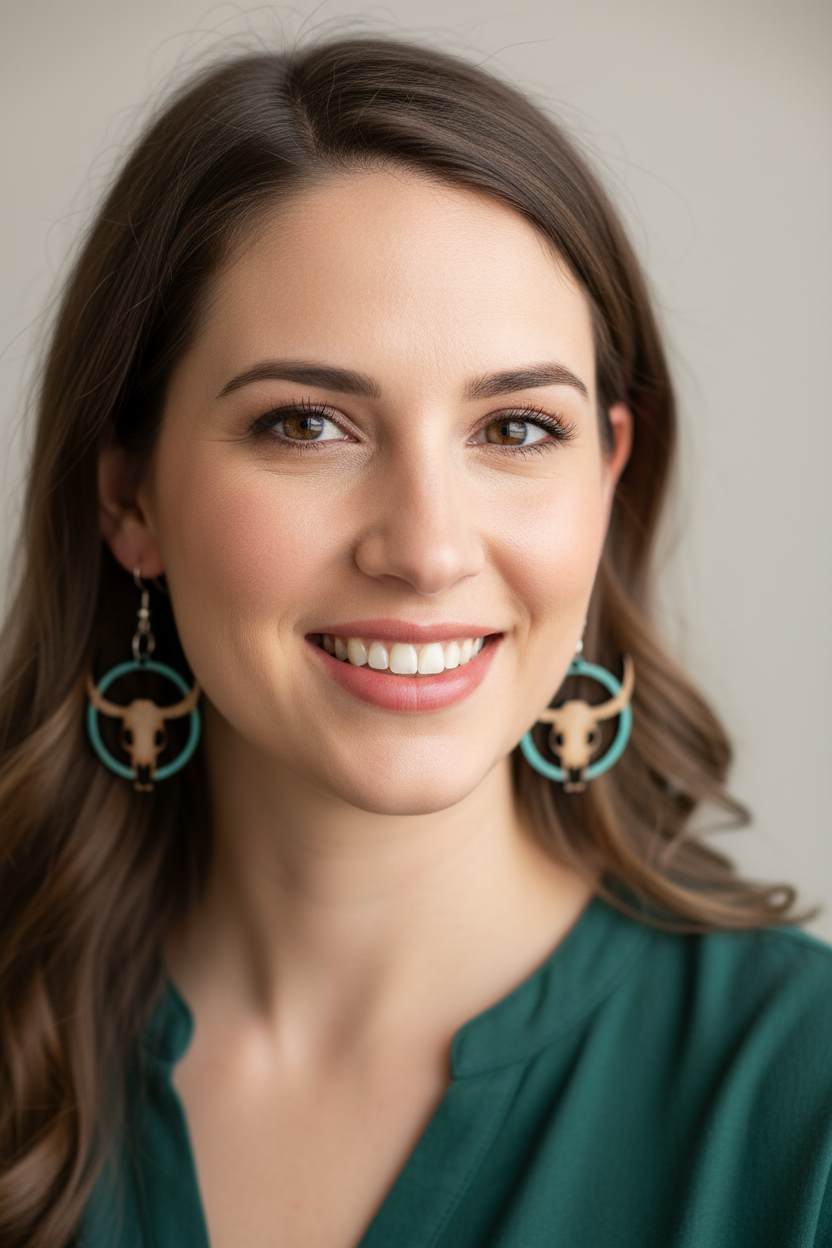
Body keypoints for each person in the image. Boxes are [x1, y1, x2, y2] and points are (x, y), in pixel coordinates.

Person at [0, 34, 829, 1248]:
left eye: (514, 429)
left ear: (608, 474)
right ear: (130, 496)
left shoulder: (799, 1101)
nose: (429, 548)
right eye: (308, 424)